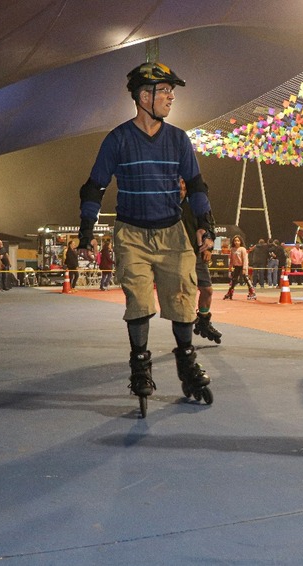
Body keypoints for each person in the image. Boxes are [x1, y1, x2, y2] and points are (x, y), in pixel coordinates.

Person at [75, 61, 215, 402]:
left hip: (172, 233)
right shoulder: (118, 139)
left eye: (171, 92)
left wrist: (206, 225)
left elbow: (196, 185)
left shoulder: (179, 139)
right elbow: (94, 187)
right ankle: (140, 364)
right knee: (138, 300)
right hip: (131, 233)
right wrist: (86, 232)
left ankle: (186, 362)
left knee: (183, 300)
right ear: (143, 96)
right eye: (165, 91)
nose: (171, 98)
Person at [179, 177, 221, 343]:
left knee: (207, 290)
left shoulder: (196, 204)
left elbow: (208, 225)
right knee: (184, 293)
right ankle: (185, 325)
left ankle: (203, 320)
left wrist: (209, 247)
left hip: (196, 253)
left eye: (183, 182)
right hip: (176, 255)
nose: (181, 185)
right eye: (178, 182)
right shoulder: (168, 205)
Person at [223, 235, 256, 300]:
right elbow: (231, 259)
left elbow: (245, 259)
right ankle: (230, 292)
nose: (236, 242)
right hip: (236, 267)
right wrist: (230, 267)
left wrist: (244, 268)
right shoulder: (232, 249)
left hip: (242, 266)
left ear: (240, 241)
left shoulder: (242, 249)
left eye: (238, 241)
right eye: (235, 241)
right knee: (234, 280)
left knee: (246, 279)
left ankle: (252, 292)